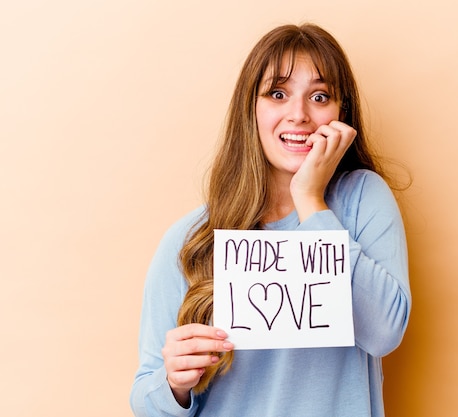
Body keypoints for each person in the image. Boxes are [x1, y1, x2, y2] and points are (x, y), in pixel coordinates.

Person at [130, 23, 411, 417]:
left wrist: (310, 199)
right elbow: (145, 399)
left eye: (319, 96)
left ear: (340, 113)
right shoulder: (190, 239)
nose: (299, 115)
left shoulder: (362, 199)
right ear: (251, 108)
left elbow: (384, 332)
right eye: (278, 94)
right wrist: (175, 383)